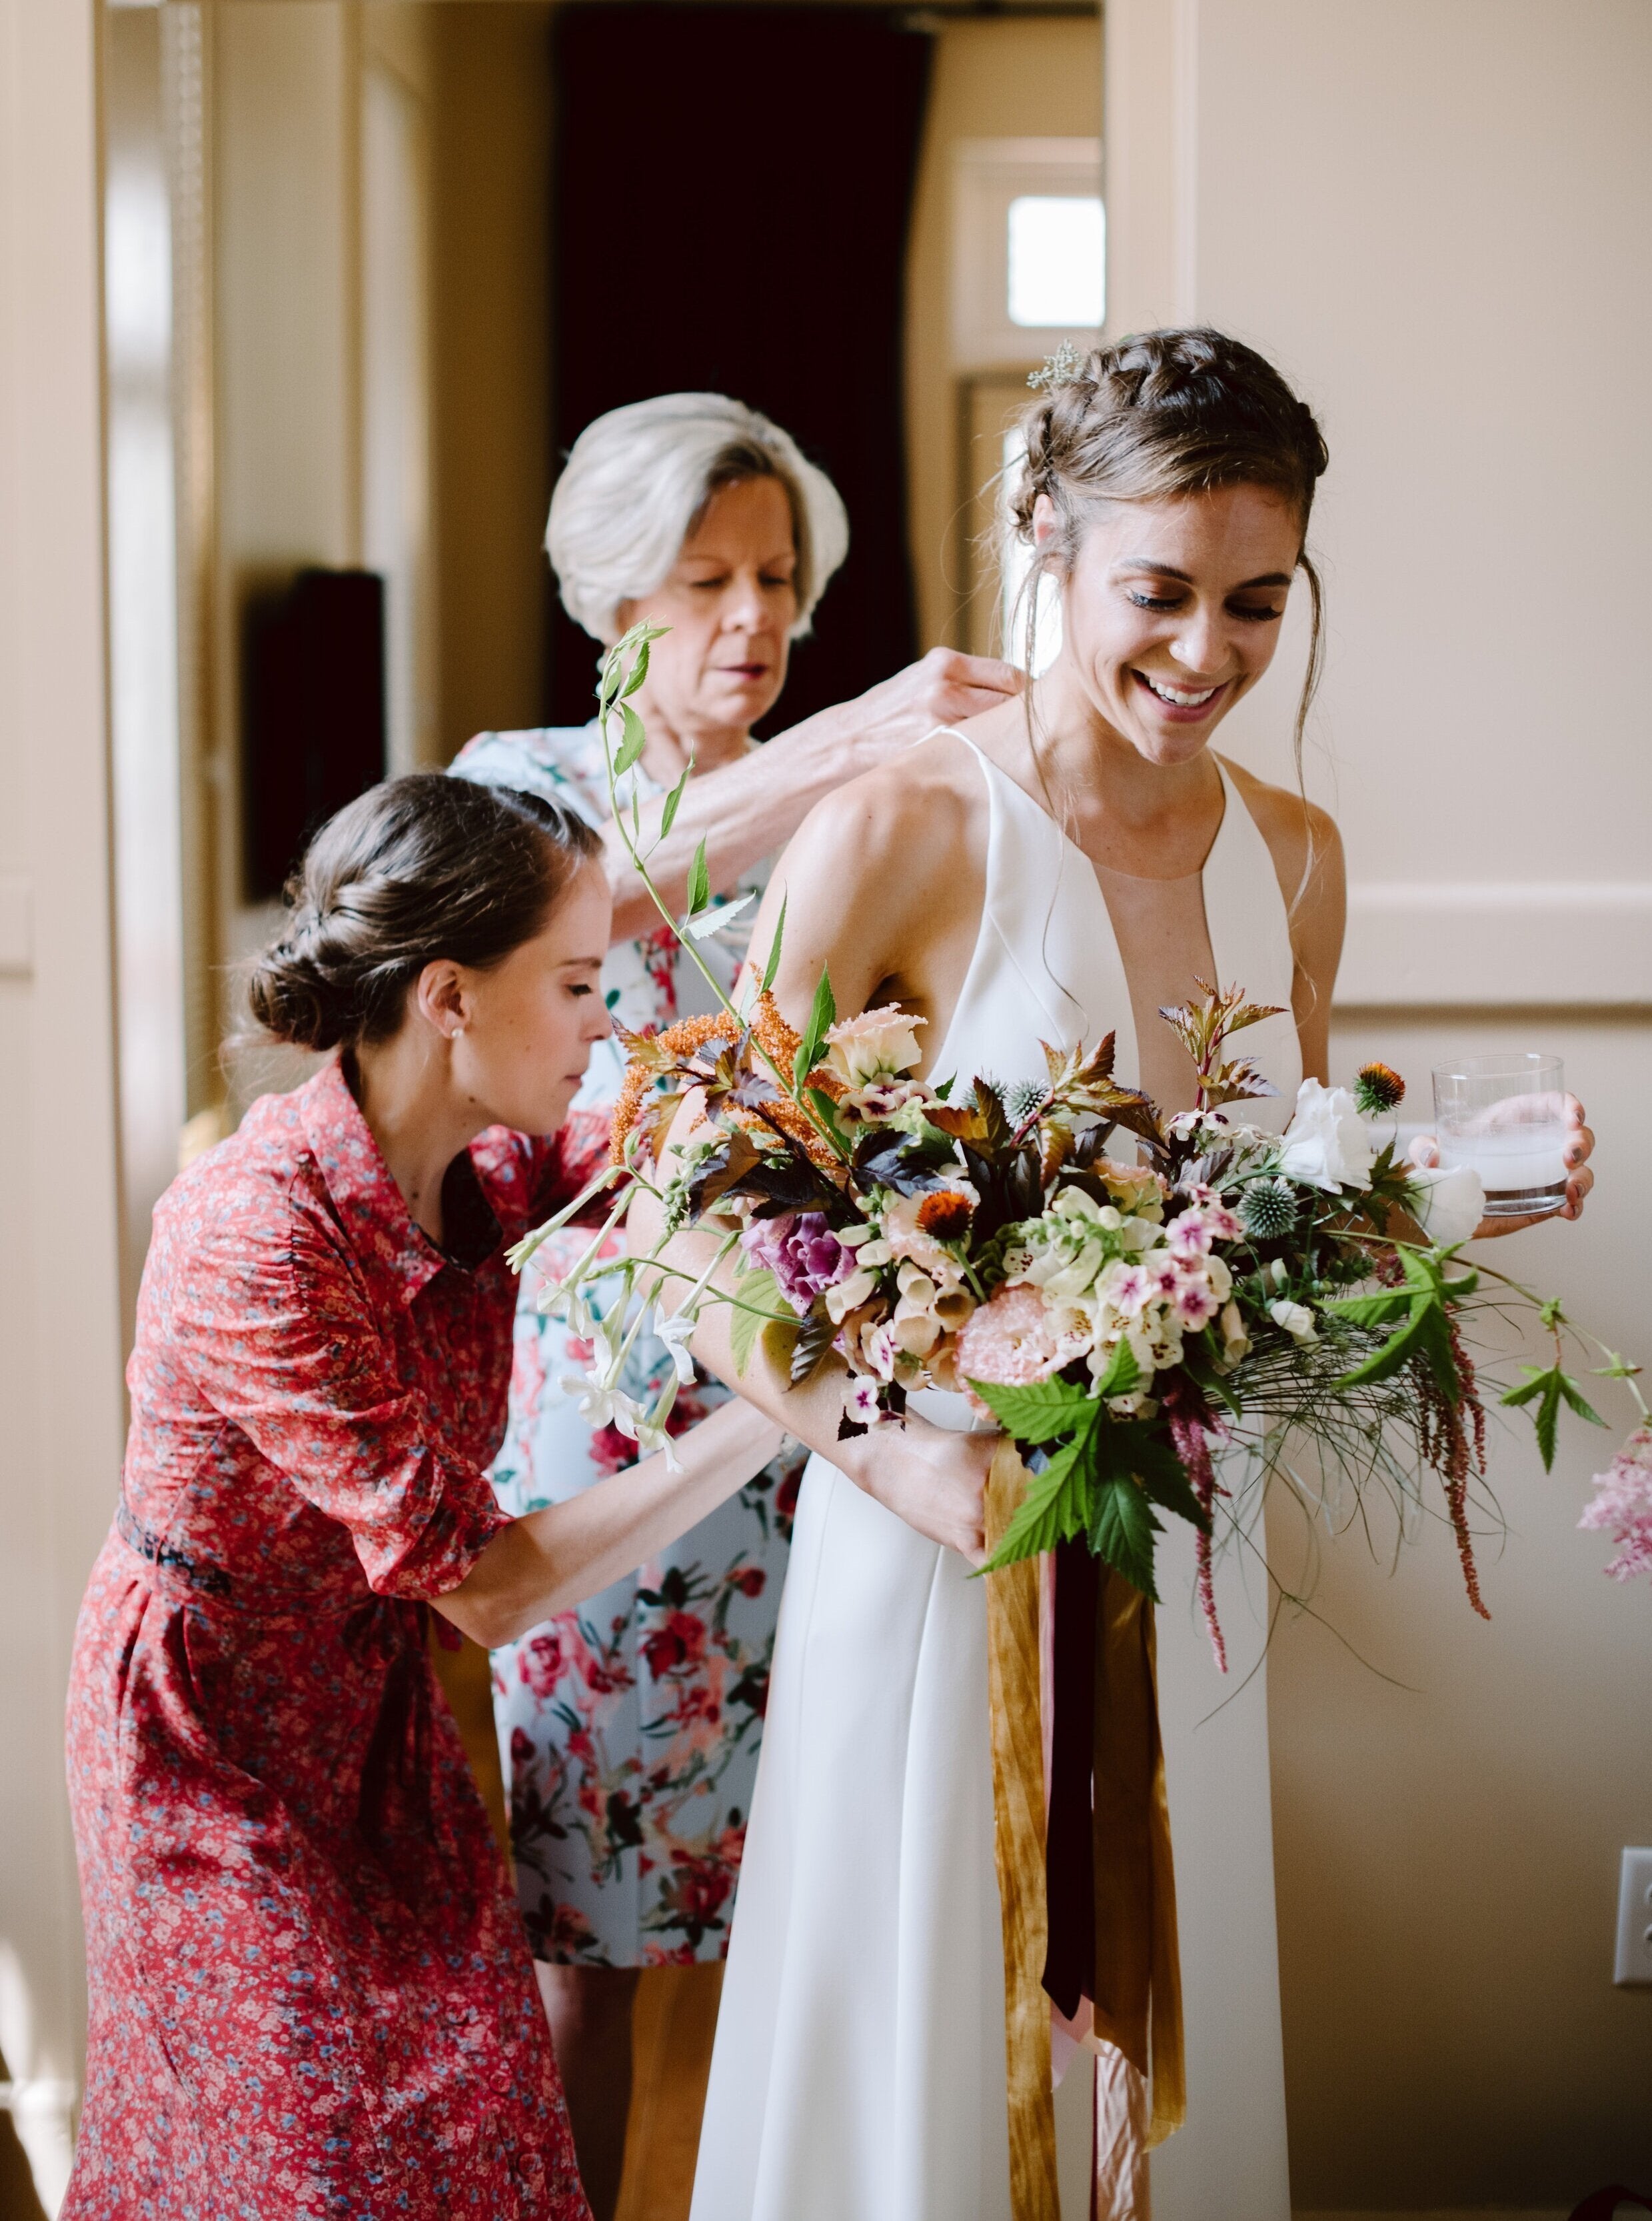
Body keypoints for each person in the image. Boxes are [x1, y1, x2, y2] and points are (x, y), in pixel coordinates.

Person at [629, 331, 1597, 2220]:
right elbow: (682, 1215)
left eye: (1255, 601)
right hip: (934, 1543)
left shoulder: (1294, 855)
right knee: (929, 2052)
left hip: (1180, 1543)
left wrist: (1460, 1200)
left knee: (1164, 2039)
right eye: (1157, 592)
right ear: (1045, 545)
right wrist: (884, 1447)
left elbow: (1279, 1199)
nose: (1205, 653)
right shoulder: (908, 823)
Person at [61, 773, 787, 2221]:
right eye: (578, 984)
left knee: (471, 2116)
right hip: (211, 1730)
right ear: (449, 995)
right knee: (300, 2153)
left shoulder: (501, 1166)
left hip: (371, 1706)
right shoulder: (254, 1234)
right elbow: (490, 1583)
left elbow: (673, 1152)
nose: (604, 1021)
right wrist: (774, 1420)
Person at [451, 390, 1021, 2214]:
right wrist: (864, 729)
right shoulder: (515, 786)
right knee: (579, 1935)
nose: (750, 616)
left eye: (775, 575)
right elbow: (599, 895)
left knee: (816, 1891)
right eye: (702, 578)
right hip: (598, 1422)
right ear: (613, 596)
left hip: (815, 1397)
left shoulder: (870, 810)